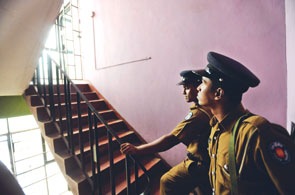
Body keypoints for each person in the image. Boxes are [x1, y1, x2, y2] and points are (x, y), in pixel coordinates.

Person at [195, 51, 295, 194]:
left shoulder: (256, 132)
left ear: (218, 93)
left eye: (203, 83)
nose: (198, 88)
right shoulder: (217, 127)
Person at [120, 70, 212, 195]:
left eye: (186, 88)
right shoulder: (209, 108)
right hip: (208, 162)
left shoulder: (197, 115)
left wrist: (138, 150)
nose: (183, 92)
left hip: (199, 164)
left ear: (198, 87)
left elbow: (169, 140)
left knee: (166, 181)